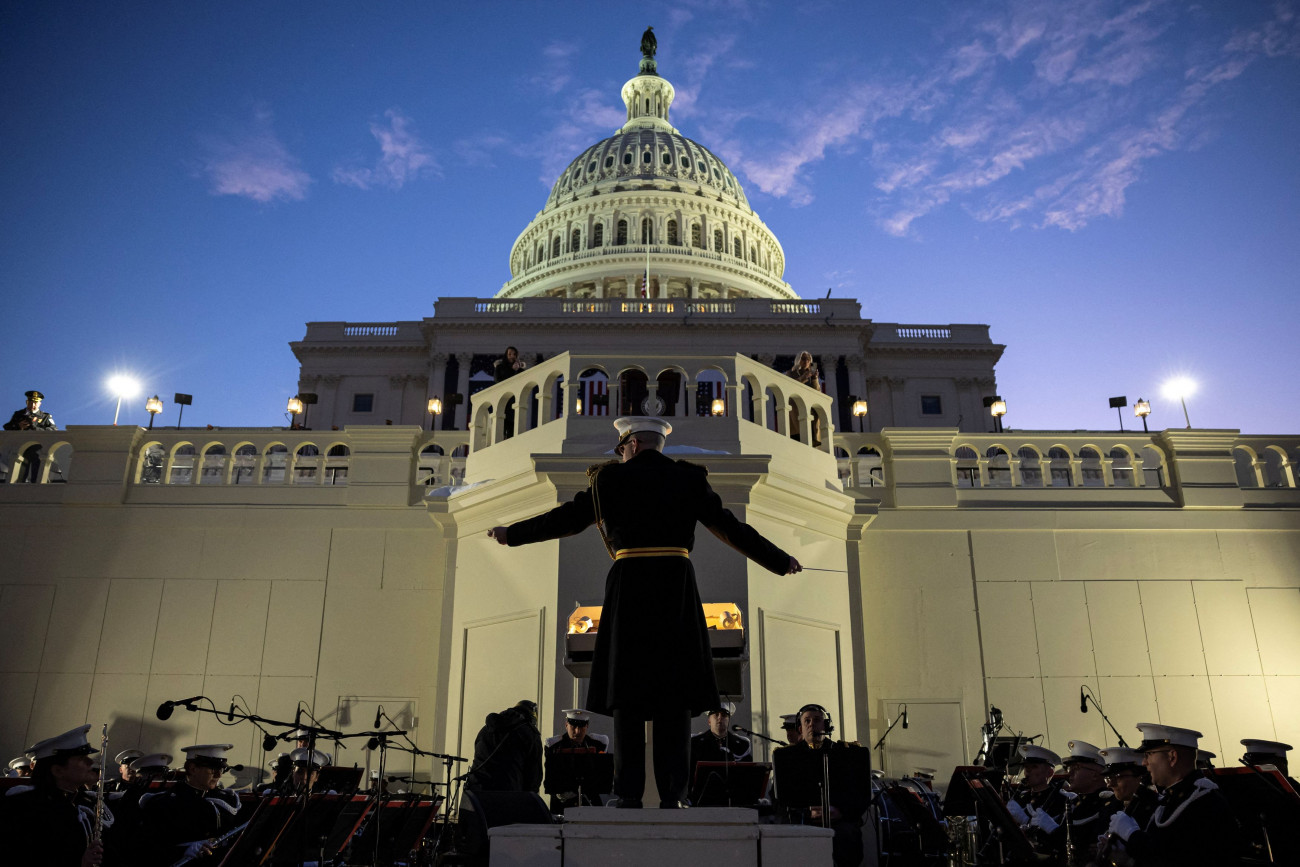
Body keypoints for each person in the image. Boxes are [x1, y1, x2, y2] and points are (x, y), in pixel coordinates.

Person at [488, 416, 800, 808]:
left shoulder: (609, 481)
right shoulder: (689, 479)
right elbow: (730, 528)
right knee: (675, 697)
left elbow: (566, 520)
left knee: (628, 698)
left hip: (630, 588)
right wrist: (780, 559)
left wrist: (511, 533)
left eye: (621, 449)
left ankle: (629, 796)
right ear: (656, 444)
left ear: (631, 443)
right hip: (675, 589)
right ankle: (674, 797)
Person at [1104, 722, 1241, 867]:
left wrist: (1132, 835)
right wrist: (1126, 857)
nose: (1144, 762)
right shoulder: (1173, 799)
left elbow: (1176, 857)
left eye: (1149, 754)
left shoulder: (1203, 801)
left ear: (1172, 757)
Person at [0, 724, 103, 867]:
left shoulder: (75, 803)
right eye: (81, 758)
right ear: (58, 770)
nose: (90, 762)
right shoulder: (26, 809)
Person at [784, 703, 867, 867]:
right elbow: (779, 797)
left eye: (817, 720)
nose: (811, 724)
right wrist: (806, 812)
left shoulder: (844, 753)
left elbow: (860, 794)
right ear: (800, 728)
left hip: (839, 820)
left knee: (847, 835)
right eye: (806, 720)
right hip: (803, 820)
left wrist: (841, 812)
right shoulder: (788, 756)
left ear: (826, 725)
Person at [138, 744, 241, 866]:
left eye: (221, 770)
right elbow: (147, 848)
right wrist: (184, 850)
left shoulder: (226, 799)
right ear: (192, 769)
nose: (219, 775)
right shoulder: (166, 803)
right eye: (213, 770)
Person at [464, 699, 543, 795]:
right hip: (507, 795)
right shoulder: (529, 733)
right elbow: (534, 775)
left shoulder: (486, 729)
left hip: (477, 792)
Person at [544, 708, 609, 811]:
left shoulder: (598, 744)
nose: (577, 731)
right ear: (566, 725)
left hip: (589, 802)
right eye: (573, 727)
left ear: (587, 726)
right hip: (564, 804)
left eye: (582, 727)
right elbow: (551, 776)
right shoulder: (554, 746)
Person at [4, 389, 57, 482]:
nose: (33, 405)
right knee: (18, 475)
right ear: (26, 402)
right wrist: (19, 426)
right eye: (31, 402)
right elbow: (7, 427)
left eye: (36, 402)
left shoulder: (45, 417)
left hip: (37, 448)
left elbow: (53, 430)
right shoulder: (19, 414)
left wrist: (36, 428)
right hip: (20, 447)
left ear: (40, 403)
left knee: (37, 474)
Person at [785, 352, 822, 446]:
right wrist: (803, 378)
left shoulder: (811, 374)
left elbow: (817, 391)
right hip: (796, 405)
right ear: (798, 360)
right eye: (803, 359)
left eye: (808, 359)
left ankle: (814, 437)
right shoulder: (791, 373)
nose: (806, 361)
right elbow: (789, 386)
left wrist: (814, 379)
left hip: (810, 404)